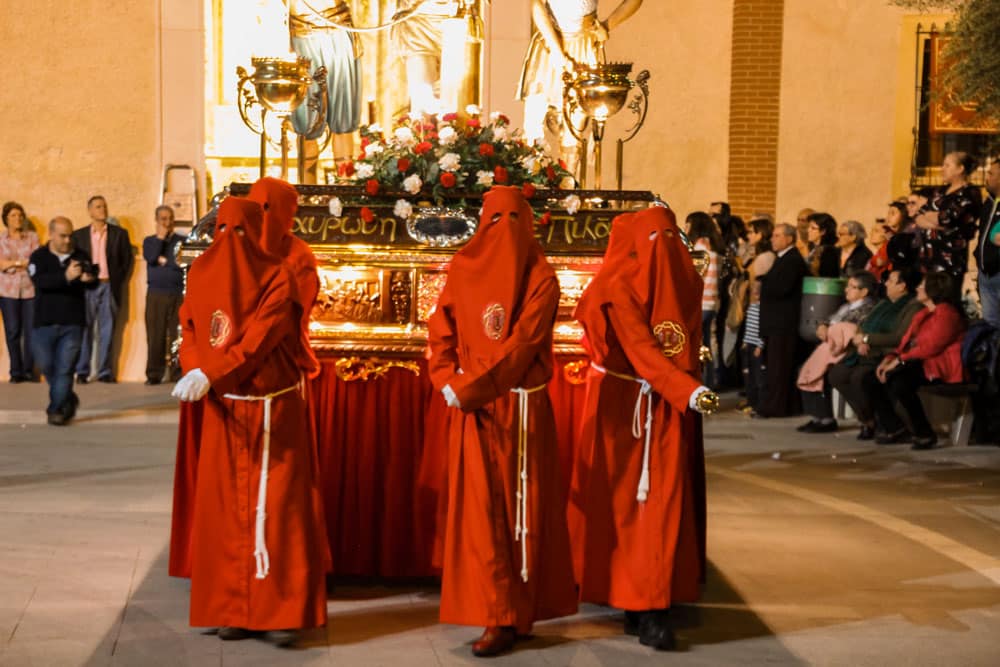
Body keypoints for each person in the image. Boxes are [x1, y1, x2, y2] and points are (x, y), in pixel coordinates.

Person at [426, 186, 577, 658]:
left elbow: (523, 345)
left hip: (522, 408)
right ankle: (496, 613)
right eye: (496, 220)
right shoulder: (462, 269)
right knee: (482, 516)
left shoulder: (542, 277)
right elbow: (440, 330)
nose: (505, 232)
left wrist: (470, 387)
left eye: (515, 220)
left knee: (523, 513)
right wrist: (446, 376)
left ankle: (522, 610)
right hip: (474, 409)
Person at [172, 197, 327, 646]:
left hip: (270, 409)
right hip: (225, 406)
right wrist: (193, 366)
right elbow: (190, 327)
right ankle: (233, 607)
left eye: (240, 232)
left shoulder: (277, 275)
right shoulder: (200, 273)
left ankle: (279, 611)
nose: (229, 242)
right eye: (223, 231)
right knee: (226, 513)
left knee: (276, 511)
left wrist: (209, 372)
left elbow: (262, 336)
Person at [569, 205, 714, 652]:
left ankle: (653, 604)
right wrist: (685, 388)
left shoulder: (684, 280)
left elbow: (681, 336)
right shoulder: (617, 285)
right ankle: (635, 600)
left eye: (672, 238)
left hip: (667, 406)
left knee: (660, 508)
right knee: (627, 510)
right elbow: (640, 348)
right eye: (657, 239)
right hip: (627, 408)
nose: (666, 248)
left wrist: (690, 367)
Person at [519, 0, 643, 157]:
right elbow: (537, 4)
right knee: (532, 127)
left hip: (583, 49)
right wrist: (557, 52)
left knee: (574, 133)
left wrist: (607, 26)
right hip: (549, 46)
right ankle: (528, 177)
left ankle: (570, 180)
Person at [864, 271, 966, 450]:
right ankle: (894, 427)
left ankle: (924, 433)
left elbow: (931, 347)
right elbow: (905, 342)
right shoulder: (923, 313)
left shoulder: (947, 314)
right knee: (871, 378)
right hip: (920, 363)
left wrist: (900, 361)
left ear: (933, 289)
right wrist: (890, 358)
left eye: (922, 285)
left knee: (899, 383)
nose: (918, 288)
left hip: (940, 367)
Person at [828, 269, 923, 440]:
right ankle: (867, 419)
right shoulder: (883, 303)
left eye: (891, 281)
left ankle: (885, 423)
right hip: (867, 351)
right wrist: (862, 340)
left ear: (903, 286)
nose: (885, 283)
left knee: (860, 377)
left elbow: (898, 337)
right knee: (837, 374)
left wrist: (867, 339)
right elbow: (865, 325)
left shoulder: (912, 306)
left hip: (886, 353)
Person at [28, 217, 96, 425]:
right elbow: (39, 281)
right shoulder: (38, 257)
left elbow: (92, 278)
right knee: (48, 367)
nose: (67, 240)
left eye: (70, 235)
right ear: (51, 234)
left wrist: (89, 279)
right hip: (44, 324)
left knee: (65, 369)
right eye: (62, 236)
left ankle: (56, 409)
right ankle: (68, 398)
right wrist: (66, 277)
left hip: (72, 323)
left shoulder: (80, 255)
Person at [795, 271, 877, 433]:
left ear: (864, 291)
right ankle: (818, 416)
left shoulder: (868, 309)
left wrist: (832, 332)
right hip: (830, 348)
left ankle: (827, 419)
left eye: (852, 287)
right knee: (806, 369)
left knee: (822, 372)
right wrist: (822, 327)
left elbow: (852, 331)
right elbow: (829, 320)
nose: (846, 290)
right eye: (848, 286)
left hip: (847, 351)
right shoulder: (846, 306)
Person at [288, 0, 362, 160]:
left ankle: (344, 182)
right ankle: (306, 184)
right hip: (302, 33)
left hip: (338, 30)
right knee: (306, 127)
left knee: (343, 125)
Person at [73, 195, 134, 383]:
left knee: (107, 330)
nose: (102, 210)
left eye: (104, 206)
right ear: (90, 211)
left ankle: (104, 372)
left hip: (109, 286)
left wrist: (117, 279)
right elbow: (74, 259)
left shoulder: (119, 234)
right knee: (85, 330)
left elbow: (127, 260)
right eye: (98, 207)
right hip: (87, 287)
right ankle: (82, 371)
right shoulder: (79, 235)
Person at [757, 223, 809, 418]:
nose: (773, 239)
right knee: (776, 366)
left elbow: (783, 287)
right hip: (776, 322)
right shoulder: (783, 258)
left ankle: (777, 406)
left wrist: (763, 283)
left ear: (789, 238)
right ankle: (787, 405)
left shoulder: (793, 260)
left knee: (780, 368)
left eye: (777, 235)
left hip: (783, 322)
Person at [915, 151, 982, 284]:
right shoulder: (940, 191)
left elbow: (946, 218)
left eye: (947, 165)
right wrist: (937, 222)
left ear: (960, 169)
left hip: (950, 262)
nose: (942, 169)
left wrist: (932, 217)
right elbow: (918, 216)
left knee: (945, 300)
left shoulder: (969, 192)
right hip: (928, 259)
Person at [142, 206, 186, 385]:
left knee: (178, 335)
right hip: (156, 294)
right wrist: (160, 240)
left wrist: (165, 261)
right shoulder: (150, 241)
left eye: (170, 219)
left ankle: (177, 372)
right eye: (163, 219)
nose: (167, 223)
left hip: (177, 293)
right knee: (155, 335)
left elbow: (181, 264)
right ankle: (154, 374)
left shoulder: (181, 241)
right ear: (157, 220)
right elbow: (151, 257)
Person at [0, 201, 40, 382]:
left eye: (20, 215)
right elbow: (1, 265)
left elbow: (35, 262)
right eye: (13, 216)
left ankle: (29, 370)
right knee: (13, 331)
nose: (17, 219)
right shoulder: (1, 239)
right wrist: (20, 263)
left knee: (31, 331)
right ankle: (15, 372)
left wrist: (11, 264)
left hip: (29, 290)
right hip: (7, 291)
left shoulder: (32, 237)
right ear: (6, 219)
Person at [741, 218, 775, 414]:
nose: (748, 236)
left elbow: (758, 282)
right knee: (749, 369)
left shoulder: (765, 258)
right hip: (752, 311)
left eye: (752, 232)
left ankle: (759, 403)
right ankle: (752, 399)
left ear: (761, 234)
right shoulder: (756, 255)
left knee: (758, 371)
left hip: (758, 310)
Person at [685, 212, 722, 388]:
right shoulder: (712, 246)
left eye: (687, 224)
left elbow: (691, 277)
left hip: (700, 303)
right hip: (711, 302)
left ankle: (701, 385)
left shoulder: (698, 248)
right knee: (707, 344)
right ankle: (710, 383)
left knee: (697, 347)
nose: (685, 229)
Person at [976, 155, 1000, 328]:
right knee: (990, 325)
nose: (987, 177)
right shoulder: (989, 202)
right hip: (985, 274)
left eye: (991, 173)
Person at [866, 202, 910, 282]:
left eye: (892, 213)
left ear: (903, 215)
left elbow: (881, 261)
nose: (888, 217)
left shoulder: (904, 237)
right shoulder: (891, 240)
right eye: (888, 213)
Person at [805, 212, 839, 278]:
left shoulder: (829, 251)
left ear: (823, 231)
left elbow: (828, 276)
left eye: (813, 228)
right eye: (808, 227)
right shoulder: (813, 248)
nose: (808, 230)